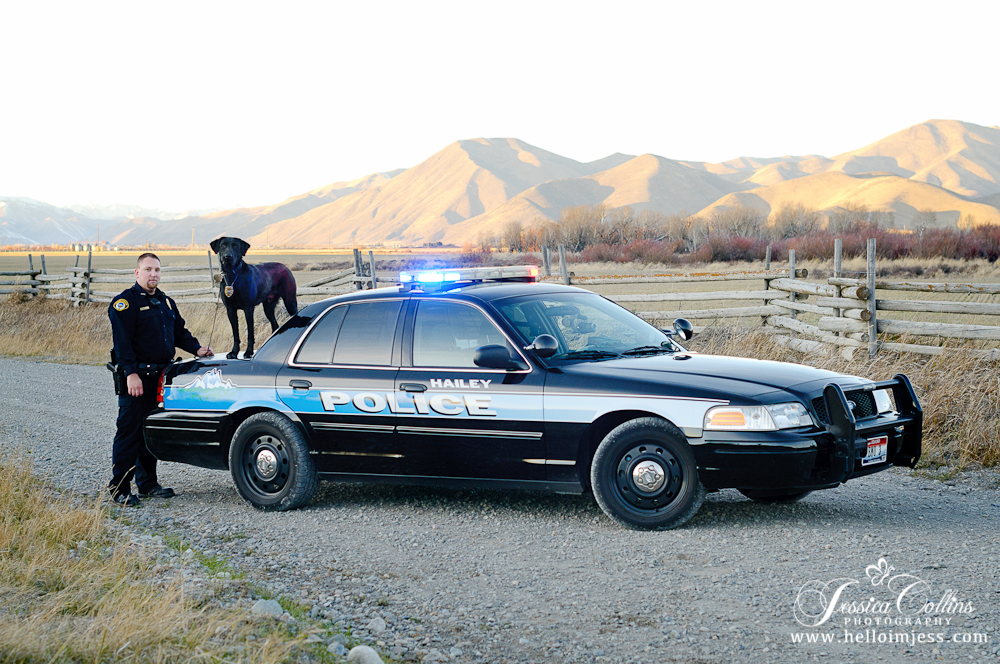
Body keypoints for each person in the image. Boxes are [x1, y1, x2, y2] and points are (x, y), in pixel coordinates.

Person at [108, 253, 213, 506]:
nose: (153, 274)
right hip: (137, 378)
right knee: (130, 432)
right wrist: (131, 373)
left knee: (149, 432)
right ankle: (119, 488)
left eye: (157, 270)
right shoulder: (125, 303)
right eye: (147, 269)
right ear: (137, 273)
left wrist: (197, 349)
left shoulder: (166, 302)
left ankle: (147, 484)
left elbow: (179, 333)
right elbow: (122, 344)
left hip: (161, 377)